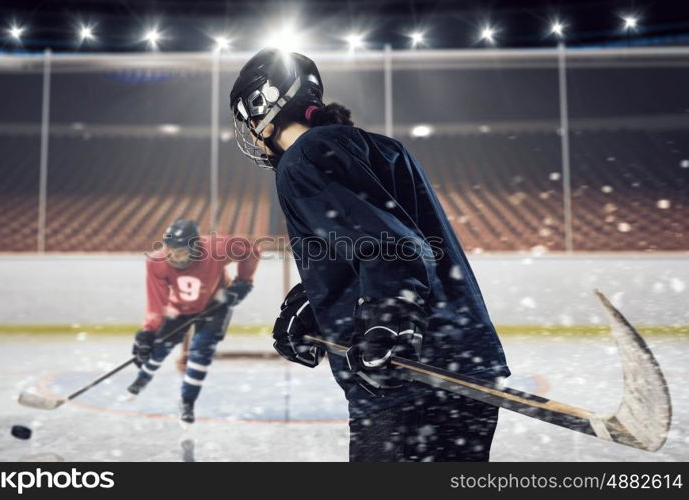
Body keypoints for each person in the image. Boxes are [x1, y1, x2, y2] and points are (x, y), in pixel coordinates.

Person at [229, 49, 510, 461]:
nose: (252, 133)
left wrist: (390, 322)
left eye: (248, 119)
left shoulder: (303, 159)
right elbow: (385, 239)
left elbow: (391, 246)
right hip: (464, 366)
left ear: (264, 104)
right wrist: (317, 302)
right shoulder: (380, 148)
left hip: (410, 387)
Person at [128, 219, 260, 424]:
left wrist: (243, 282)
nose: (173, 256)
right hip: (179, 306)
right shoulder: (156, 262)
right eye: (170, 250)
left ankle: (187, 401)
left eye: (180, 251)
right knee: (160, 347)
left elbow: (251, 250)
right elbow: (156, 303)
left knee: (201, 352)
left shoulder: (217, 248)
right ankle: (142, 379)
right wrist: (148, 333)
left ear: (195, 247)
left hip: (215, 304)